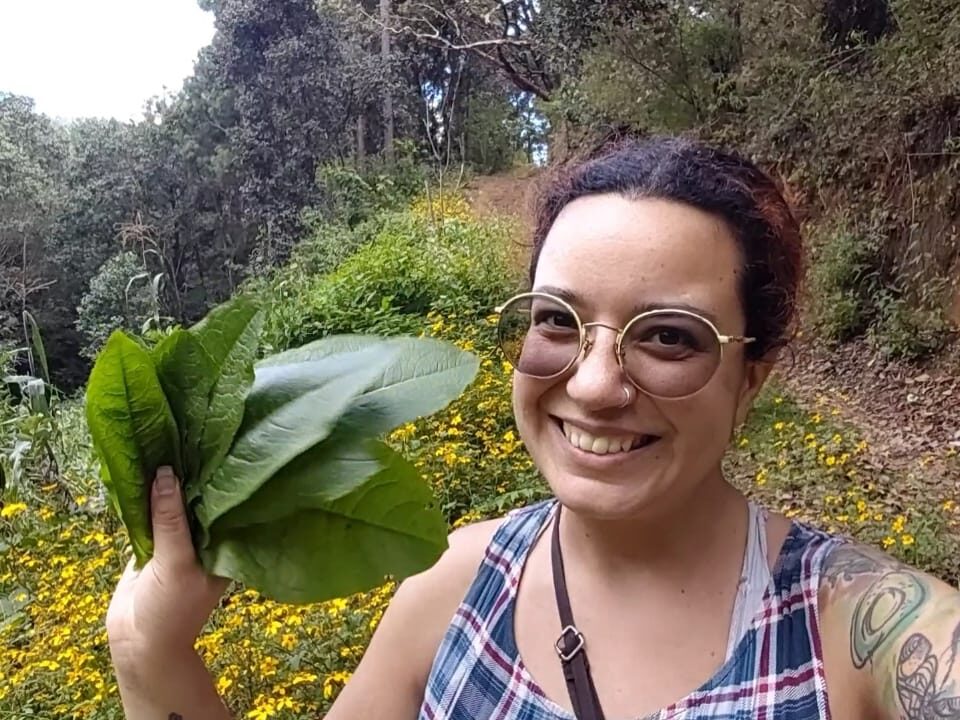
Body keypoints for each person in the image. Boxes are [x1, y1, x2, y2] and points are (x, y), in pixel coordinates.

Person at [106, 136, 960, 720]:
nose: (592, 385)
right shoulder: (452, 588)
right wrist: (150, 650)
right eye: (557, 319)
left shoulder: (857, 630)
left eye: (669, 336)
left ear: (751, 382)